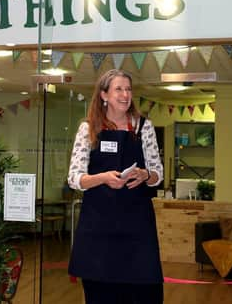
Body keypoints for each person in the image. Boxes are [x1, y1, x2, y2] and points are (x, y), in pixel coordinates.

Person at [68, 69, 164, 304]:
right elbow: (74, 178)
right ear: (104, 95)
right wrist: (102, 178)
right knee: (101, 295)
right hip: (98, 228)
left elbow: (158, 175)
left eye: (128, 89)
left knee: (146, 293)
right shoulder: (88, 128)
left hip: (137, 227)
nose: (125, 95)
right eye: (118, 89)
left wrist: (145, 174)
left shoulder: (144, 127)